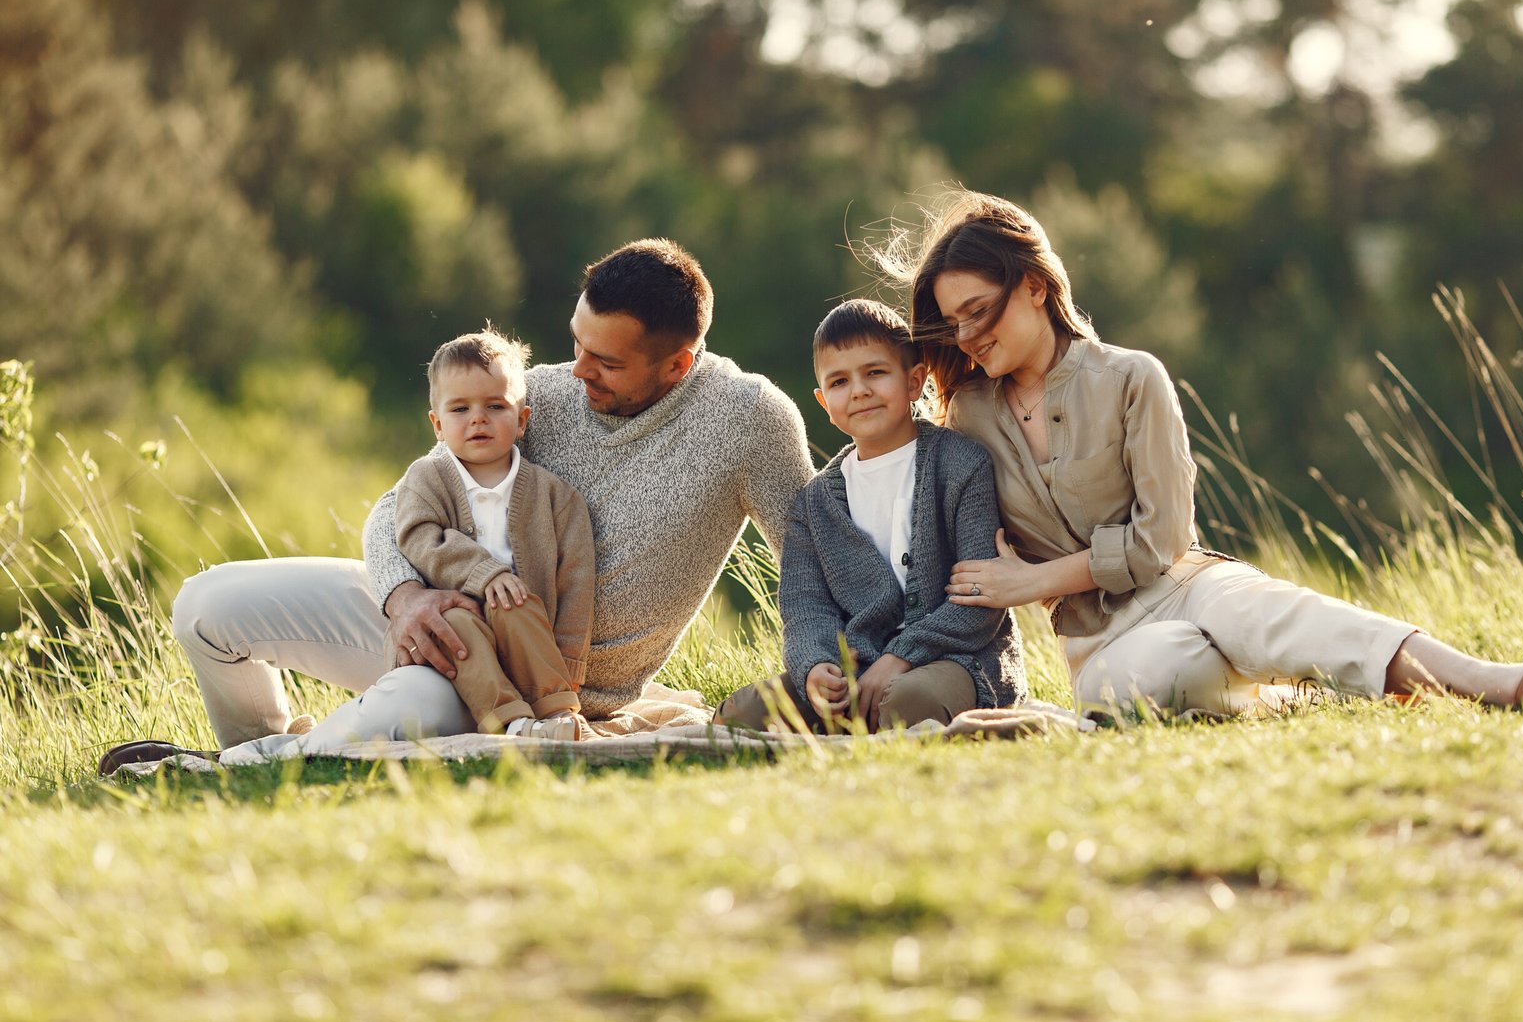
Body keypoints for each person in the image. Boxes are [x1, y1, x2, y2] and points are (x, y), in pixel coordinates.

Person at [98, 239, 813, 773]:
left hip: (524, 685)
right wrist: (404, 597)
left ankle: (240, 767)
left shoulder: (750, 420)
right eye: (576, 345)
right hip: (420, 617)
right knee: (203, 605)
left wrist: (826, 672)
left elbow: (810, 564)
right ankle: (265, 749)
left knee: (409, 708)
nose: (578, 371)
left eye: (608, 362)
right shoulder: (543, 393)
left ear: (678, 363)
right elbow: (395, 508)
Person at [877, 190, 1523, 719]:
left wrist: (1032, 581)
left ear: (1033, 285)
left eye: (979, 310)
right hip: (1099, 644)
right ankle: (1280, 696)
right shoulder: (967, 418)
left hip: (1187, 583)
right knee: (1152, 675)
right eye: (952, 320)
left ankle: (1488, 682)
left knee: (1274, 614)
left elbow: (1162, 538)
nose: (965, 335)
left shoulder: (1130, 377)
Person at [714, 299, 1025, 733]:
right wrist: (816, 667)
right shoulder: (815, 502)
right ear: (824, 401)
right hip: (857, 669)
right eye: (840, 381)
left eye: (875, 373)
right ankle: (849, 718)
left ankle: (877, 723)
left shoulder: (961, 464)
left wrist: (902, 657)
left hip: (956, 659)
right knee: (743, 713)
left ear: (914, 381)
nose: (859, 390)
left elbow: (981, 597)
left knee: (909, 701)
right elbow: (807, 609)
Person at [393, 324, 594, 741]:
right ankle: (510, 722)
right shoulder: (426, 479)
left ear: (521, 420)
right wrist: (486, 574)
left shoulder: (556, 497)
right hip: (455, 624)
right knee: (458, 621)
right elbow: (418, 536)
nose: (478, 419)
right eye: (460, 409)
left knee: (516, 602)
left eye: (495, 407)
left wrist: (571, 662)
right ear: (437, 424)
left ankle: (558, 714)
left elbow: (577, 580)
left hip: (525, 626)